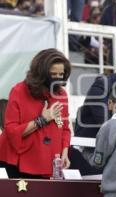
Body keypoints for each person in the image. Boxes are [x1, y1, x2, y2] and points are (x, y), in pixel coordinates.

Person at [0, 48, 72, 178]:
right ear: (41, 73)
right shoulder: (19, 91)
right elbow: (11, 131)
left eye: (60, 74)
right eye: (53, 74)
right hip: (18, 163)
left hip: (49, 162)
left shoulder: (61, 94)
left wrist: (64, 153)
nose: (57, 78)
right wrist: (42, 120)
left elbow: (64, 128)